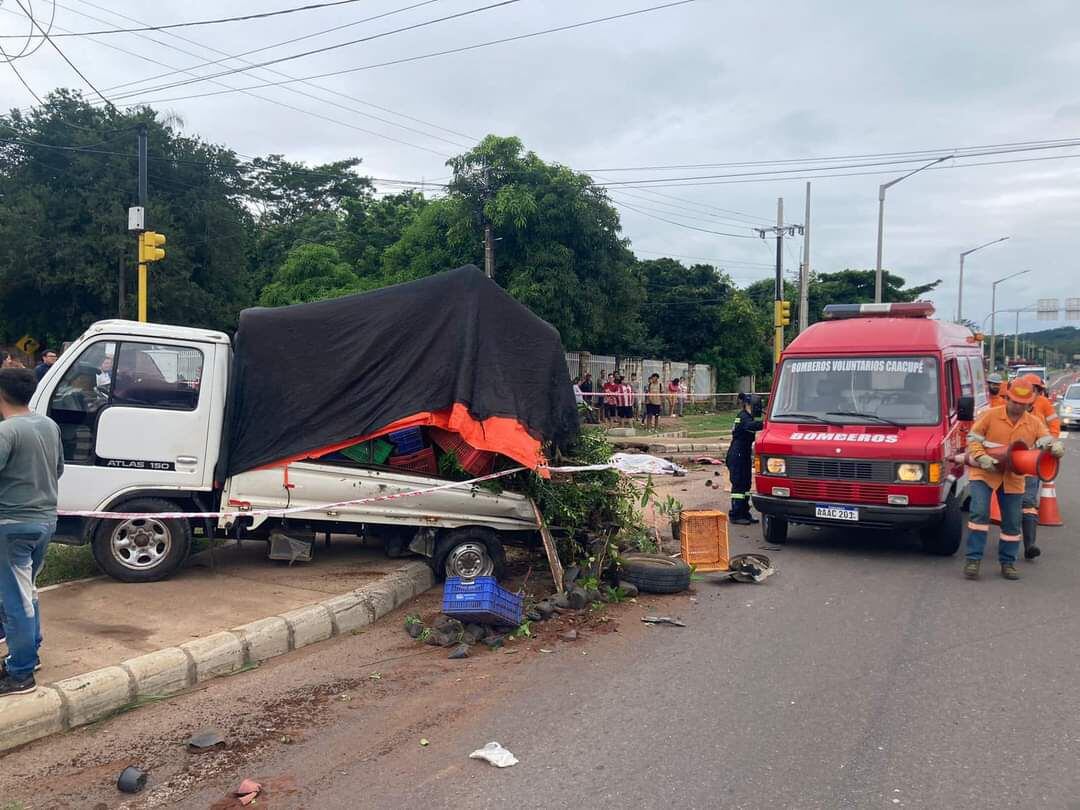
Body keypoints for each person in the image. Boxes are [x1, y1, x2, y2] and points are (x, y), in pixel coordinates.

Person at [0, 368, 64, 696]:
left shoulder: (7, 431)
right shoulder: (48, 425)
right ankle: (30, 652)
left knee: (15, 600)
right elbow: (59, 470)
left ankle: (20, 672)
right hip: (45, 522)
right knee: (28, 589)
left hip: (11, 525)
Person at [963, 377, 1062, 581]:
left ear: (1029, 404)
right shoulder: (990, 415)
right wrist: (982, 457)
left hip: (1013, 478)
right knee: (979, 514)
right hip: (984, 473)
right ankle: (973, 560)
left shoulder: (1033, 423)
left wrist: (1053, 446)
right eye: (1014, 401)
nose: (1017, 406)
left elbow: (1044, 438)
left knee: (1012, 523)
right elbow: (973, 439)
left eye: (1022, 404)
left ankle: (1008, 563)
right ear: (1007, 398)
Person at [1020, 374, 1061, 560]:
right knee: (1010, 504)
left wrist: (1049, 445)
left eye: (1034, 389)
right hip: (1010, 462)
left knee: (1028, 502)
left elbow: (1053, 426)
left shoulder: (1042, 405)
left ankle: (1030, 545)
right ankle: (1009, 544)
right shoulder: (1009, 407)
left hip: (1032, 460)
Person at [726, 392, 764, 525]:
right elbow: (750, 426)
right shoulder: (743, 417)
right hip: (737, 455)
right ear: (749, 404)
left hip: (744, 454)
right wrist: (766, 424)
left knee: (746, 485)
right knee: (739, 485)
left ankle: (744, 512)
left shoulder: (748, 416)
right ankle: (736, 514)